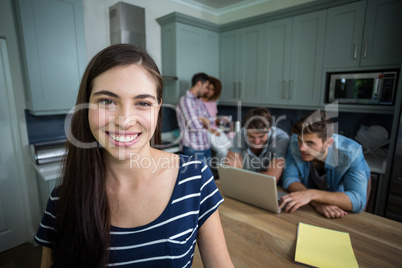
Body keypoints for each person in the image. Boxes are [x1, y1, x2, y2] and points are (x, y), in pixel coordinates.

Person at [34, 44, 233, 267]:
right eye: (107, 101)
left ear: (158, 108)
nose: (125, 121)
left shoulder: (194, 178)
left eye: (142, 103)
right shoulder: (62, 201)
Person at [279, 111, 371, 219]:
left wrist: (311, 195)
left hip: (351, 188)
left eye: (310, 143)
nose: (301, 148)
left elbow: (358, 200)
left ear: (328, 142)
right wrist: (317, 203)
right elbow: (289, 179)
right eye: (300, 141)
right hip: (315, 191)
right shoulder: (295, 142)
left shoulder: (351, 152)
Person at [225, 107, 290, 183]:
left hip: (277, 186)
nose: (256, 142)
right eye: (251, 136)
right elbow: (230, 171)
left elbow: (272, 178)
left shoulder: (281, 139)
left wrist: (240, 174)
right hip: (249, 182)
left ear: (269, 129)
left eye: (261, 136)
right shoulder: (241, 134)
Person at [176, 72, 220, 162]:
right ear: (199, 84)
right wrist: (203, 120)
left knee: (207, 176)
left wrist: (202, 120)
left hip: (206, 146)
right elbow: (194, 126)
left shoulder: (199, 101)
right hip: (193, 149)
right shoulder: (185, 101)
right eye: (206, 87)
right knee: (198, 176)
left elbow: (211, 121)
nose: (207, 91)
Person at [201, 76, 231, 162]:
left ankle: (226, 170)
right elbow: (201, 122)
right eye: (208, 88)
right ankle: (220, 171)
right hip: (205, 131)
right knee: (222, 151)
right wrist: (211, 130)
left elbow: (214, 119)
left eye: (212, 90)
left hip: (215, 129)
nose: (209, 92)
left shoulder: (213, 103)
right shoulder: (198, 102)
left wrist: (221, 120)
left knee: (230, 148)